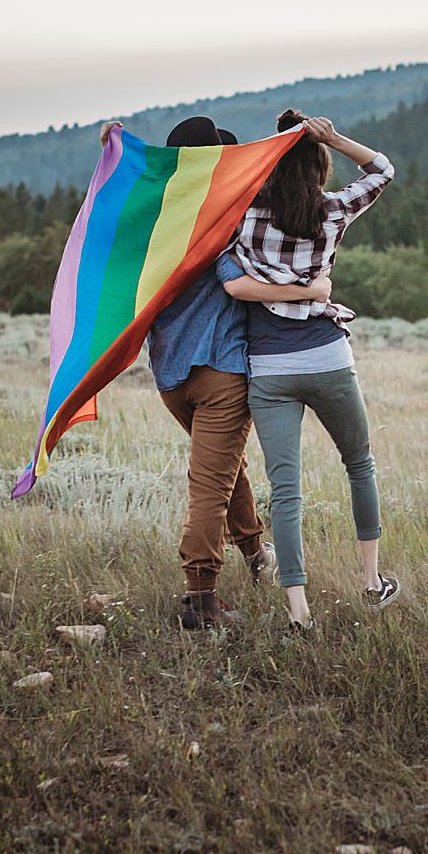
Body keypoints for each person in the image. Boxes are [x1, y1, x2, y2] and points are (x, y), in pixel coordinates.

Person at [98, 116, 333, 630]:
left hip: (171, 379)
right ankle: (200, 598)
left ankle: (254, 555)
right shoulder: (224, 222)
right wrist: (310, 291)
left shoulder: (155, 229)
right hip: (222, 373)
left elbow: (110, 214)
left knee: (224, 470)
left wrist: (115, 153)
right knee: (210, 483)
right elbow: (240, 279)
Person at [221, 109, 400, 630]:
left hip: (269, 367)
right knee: (359, 464)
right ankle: (371, 583)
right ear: (319, 170)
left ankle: (299, 610)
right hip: (327, 357)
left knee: (286, 489)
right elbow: (383, 170)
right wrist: (333, 136)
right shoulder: (335, 211)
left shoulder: (243, 215)